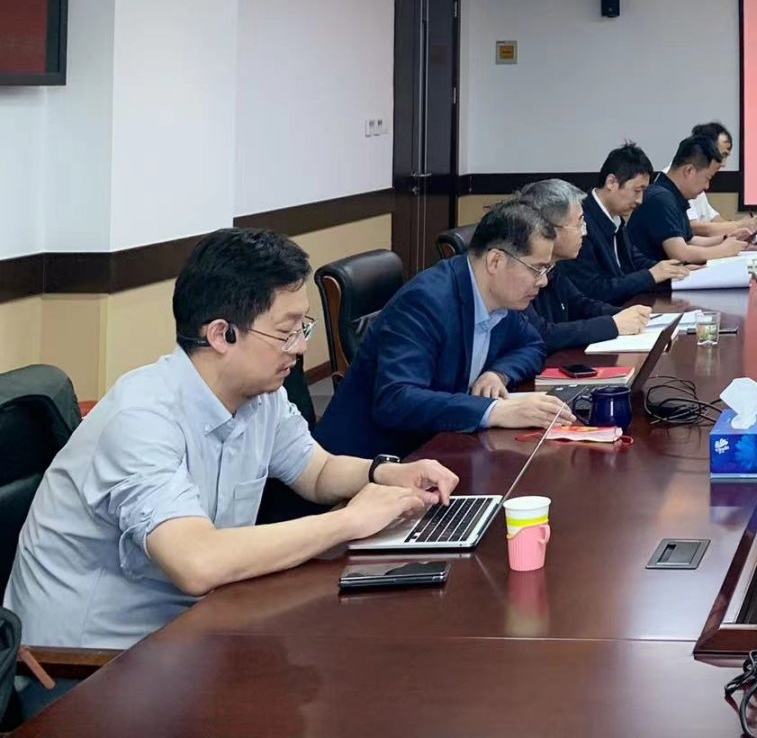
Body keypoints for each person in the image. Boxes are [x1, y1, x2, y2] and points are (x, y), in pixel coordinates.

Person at [3, 229, 458, 650]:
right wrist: (349, 521)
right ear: (221, 334)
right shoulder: (141, 419)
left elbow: (317, 471)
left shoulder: (261, 397)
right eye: (286, 332)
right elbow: (196, 562)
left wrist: (386, 473)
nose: (301, 347)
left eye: (303, 329)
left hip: (194, 630)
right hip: (89, 665)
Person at [315, 200, 573, 461]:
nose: (543, 281)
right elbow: (396, 400)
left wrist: (499, 373)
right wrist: (494, 411)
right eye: (537, 269)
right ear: (495, 261)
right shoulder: (426, 301)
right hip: (370, 462)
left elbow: (533, 344)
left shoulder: (500, 299)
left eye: (547, 269)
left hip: (440, 446)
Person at [516, 178, 652, 349]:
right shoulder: (518, 272)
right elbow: (542, 334)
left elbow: (580, 304)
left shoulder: (555, 266)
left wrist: (628, 315)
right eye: (579, 223)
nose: (584, 232)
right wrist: (613, 325)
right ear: (548, 229)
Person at [572, 142, 693, 304]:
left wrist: (675, 270)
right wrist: (651, 275)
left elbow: (635, 260)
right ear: (611, 182)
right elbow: (595, 290)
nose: (640, 200)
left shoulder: (616, 217)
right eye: (637, 191)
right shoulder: (580, 223)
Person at [627, 135, 749, 266]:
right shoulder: (661, 198)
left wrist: (725, 239)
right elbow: (680, 254)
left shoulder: (673, 195)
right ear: (689, 170)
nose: (707, 186)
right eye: (707, 178)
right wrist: (724, 250)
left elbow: (689, 241)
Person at [686, 121, 757, 242]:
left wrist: (737, 229)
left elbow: (713, 218)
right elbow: (694, 228)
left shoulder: (698, 177)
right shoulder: (684, 180)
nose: (723, 164)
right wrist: (738, 225)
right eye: (721, 155)